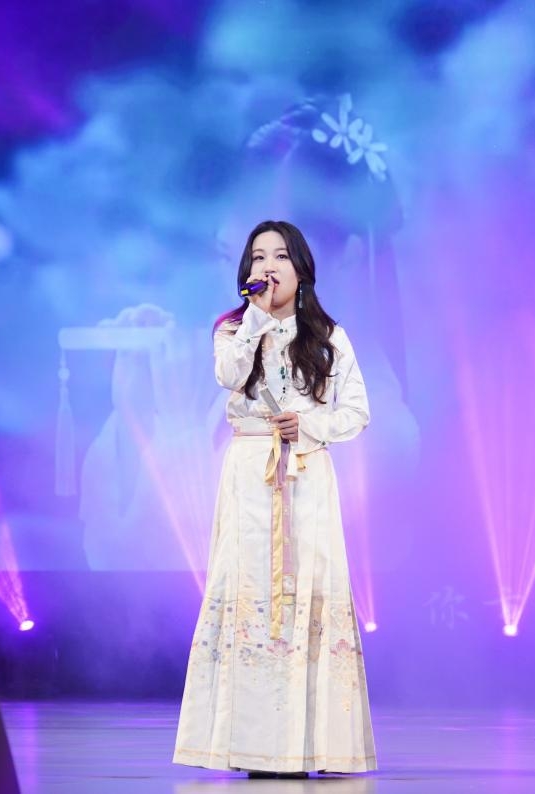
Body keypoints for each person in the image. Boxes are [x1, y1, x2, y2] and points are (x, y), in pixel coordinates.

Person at [173, 220, 376, 778]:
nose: (268, 266)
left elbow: (356, 411)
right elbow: (228, 375)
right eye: (258, 257)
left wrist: (308, 425)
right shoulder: (232, 330)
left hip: (307, 473)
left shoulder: (329, 336)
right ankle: (251, 745)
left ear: (301, 269)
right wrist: (256, 319)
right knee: (252, 596)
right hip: (250, 474)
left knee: (308, 592)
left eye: (280, 256)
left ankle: (313, 745)